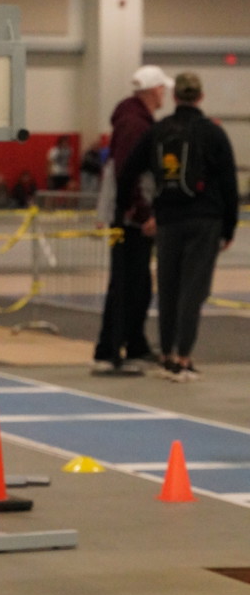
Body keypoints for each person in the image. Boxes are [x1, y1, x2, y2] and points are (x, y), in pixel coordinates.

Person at [115, 71, 238, 382]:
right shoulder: (213, 133)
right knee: (193, 289)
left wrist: (131, 210)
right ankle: (183, 357)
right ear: (201, 97)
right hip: (205, 219)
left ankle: (167, 354)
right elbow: (229, 183)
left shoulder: (159, 131)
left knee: (168, 287)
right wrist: (229, 227)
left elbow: (128, 170)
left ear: (174, 97)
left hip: (168, 219)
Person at [92, 65, 171, 375]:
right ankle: (110, 349)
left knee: (137, 283)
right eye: (162, 89)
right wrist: (141, 212)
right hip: (130, 218)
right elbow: (129, 171)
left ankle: (133, 344)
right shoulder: (135, 124)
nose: (164, 94)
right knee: (128, 284)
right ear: (152, 90)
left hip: (129, 213)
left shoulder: (133, 119)